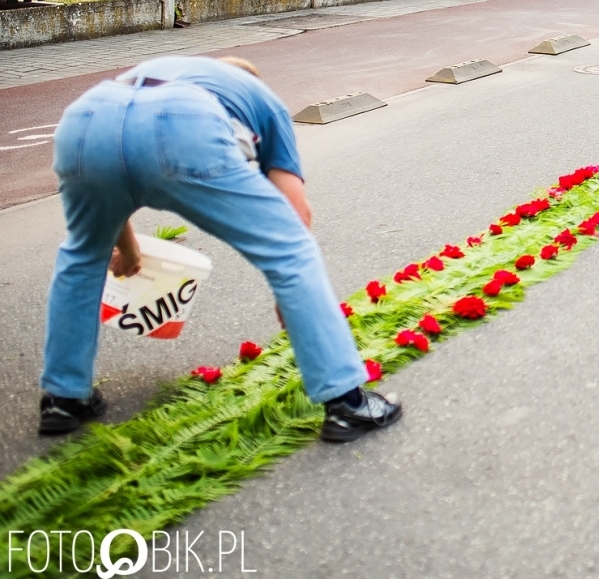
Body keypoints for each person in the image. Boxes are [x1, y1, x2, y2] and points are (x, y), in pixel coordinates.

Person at [39, 55, 401, 443]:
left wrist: (126, 250)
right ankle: (347, 402)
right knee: (292, 249)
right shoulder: (264, 101)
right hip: (181, 123)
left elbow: (117, 180)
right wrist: (290, 293)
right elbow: (296, 211)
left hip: (86, 119)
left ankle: (64, 398)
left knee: (82, 256)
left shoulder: (174, 69)